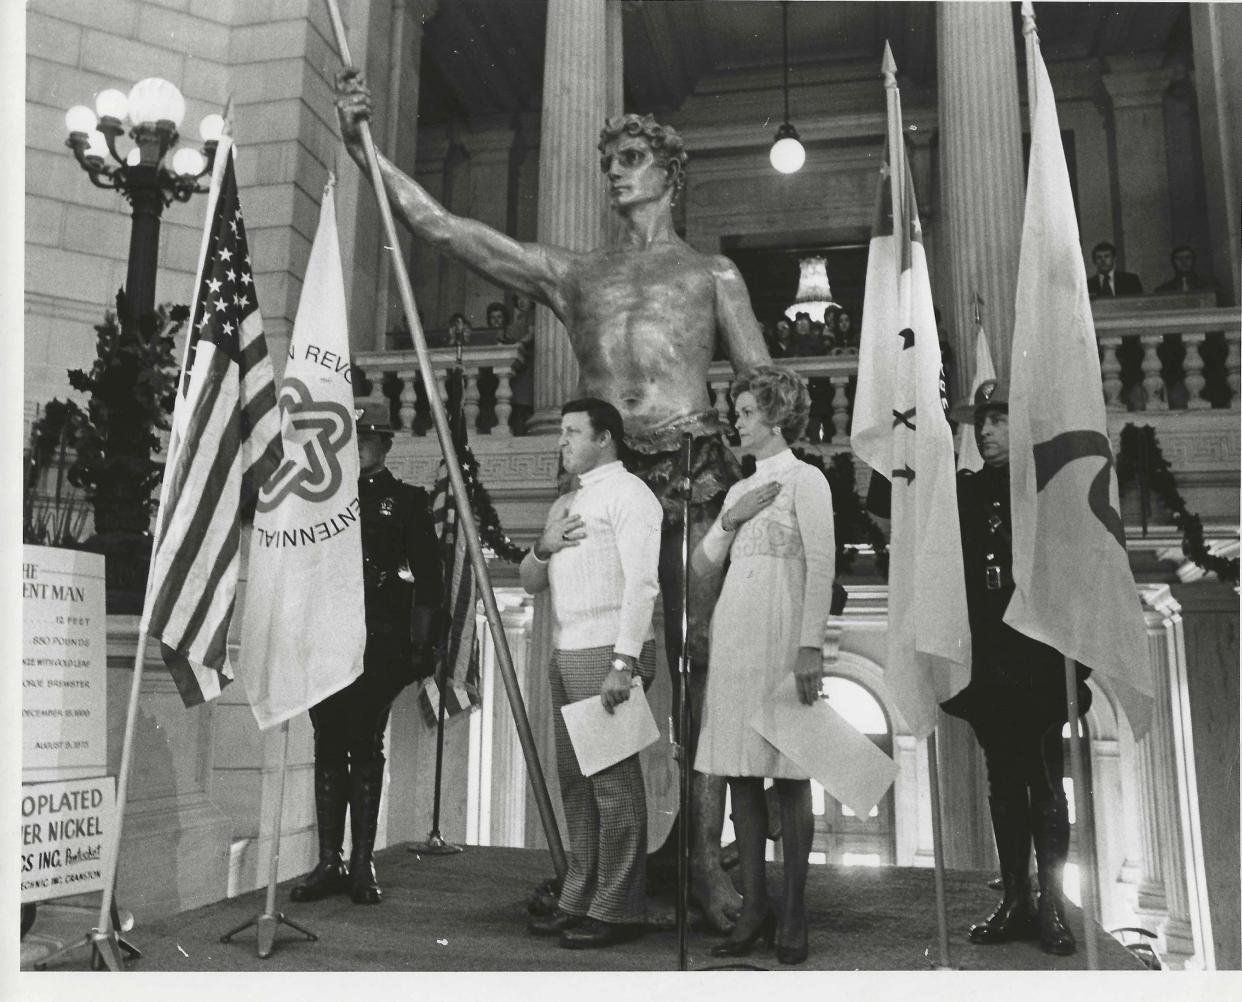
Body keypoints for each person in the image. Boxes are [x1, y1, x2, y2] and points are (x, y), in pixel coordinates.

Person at [337, 72, 771, 930]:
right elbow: (446, 229)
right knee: (580, 658)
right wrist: (367, 151)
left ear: (669, 173)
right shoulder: (575, 275)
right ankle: (594, 868)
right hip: (602, 483)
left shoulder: (711, 273)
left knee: (698, 658)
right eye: (609, 160)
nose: (614, 173)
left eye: (632, 159)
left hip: (689, 472)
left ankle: (695, 855)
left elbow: (761, 381)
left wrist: (788, 487)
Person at [941, 378, 1091, 955]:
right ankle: (1016, 899)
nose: (986, 431)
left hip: (1037, 648)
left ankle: (1053, 903)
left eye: (999, 421)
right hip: (988, 649)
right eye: (982, 423)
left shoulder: (1044, 489)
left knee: (1045, 780)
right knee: (1002, 779)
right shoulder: (967, 490)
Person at [692, 366, 835, 966]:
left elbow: (823, 566)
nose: (737, 421)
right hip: (736, 638)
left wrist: (810, 645)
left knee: (790, 773)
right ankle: (754, 907)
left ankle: (794, 910)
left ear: (775, 418)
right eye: (738, 411)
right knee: (741, 773)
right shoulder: (736, 491)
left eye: (747, 412)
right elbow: (702, 568)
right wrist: (733, 515)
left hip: (783, 636)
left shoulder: (809, 481)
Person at [520, 398, 663, 949]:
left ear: (605, 438)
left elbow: (642, 585)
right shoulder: (567, 502)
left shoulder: (631, 495)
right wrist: (543, 544)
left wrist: (624, 664)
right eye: (561, 432)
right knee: (577, 786)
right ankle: (579, 897)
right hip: (567, 647)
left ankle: (618, 908)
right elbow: (532, 579)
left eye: (573, 432)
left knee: (612, 786)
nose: (563, 441)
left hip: (609, 653)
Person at [290, 402, 442, 906]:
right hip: (325, 636)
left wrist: (423, 645)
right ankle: (328, 860)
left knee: (365, 742)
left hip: (379, 639)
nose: (357, 449)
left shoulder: (406, 501)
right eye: (351, 440)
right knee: (328, 742)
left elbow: (428, 579)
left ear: (385, 445)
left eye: (366, 440)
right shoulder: (321, 501)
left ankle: (361, 861)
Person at [1154, 245, 1219, 295]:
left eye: (1188, 258)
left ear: (1194, 260)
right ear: (1173, 262)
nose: (1183, 261)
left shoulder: (1210, 285)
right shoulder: (1164, 290)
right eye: (1178, 258)